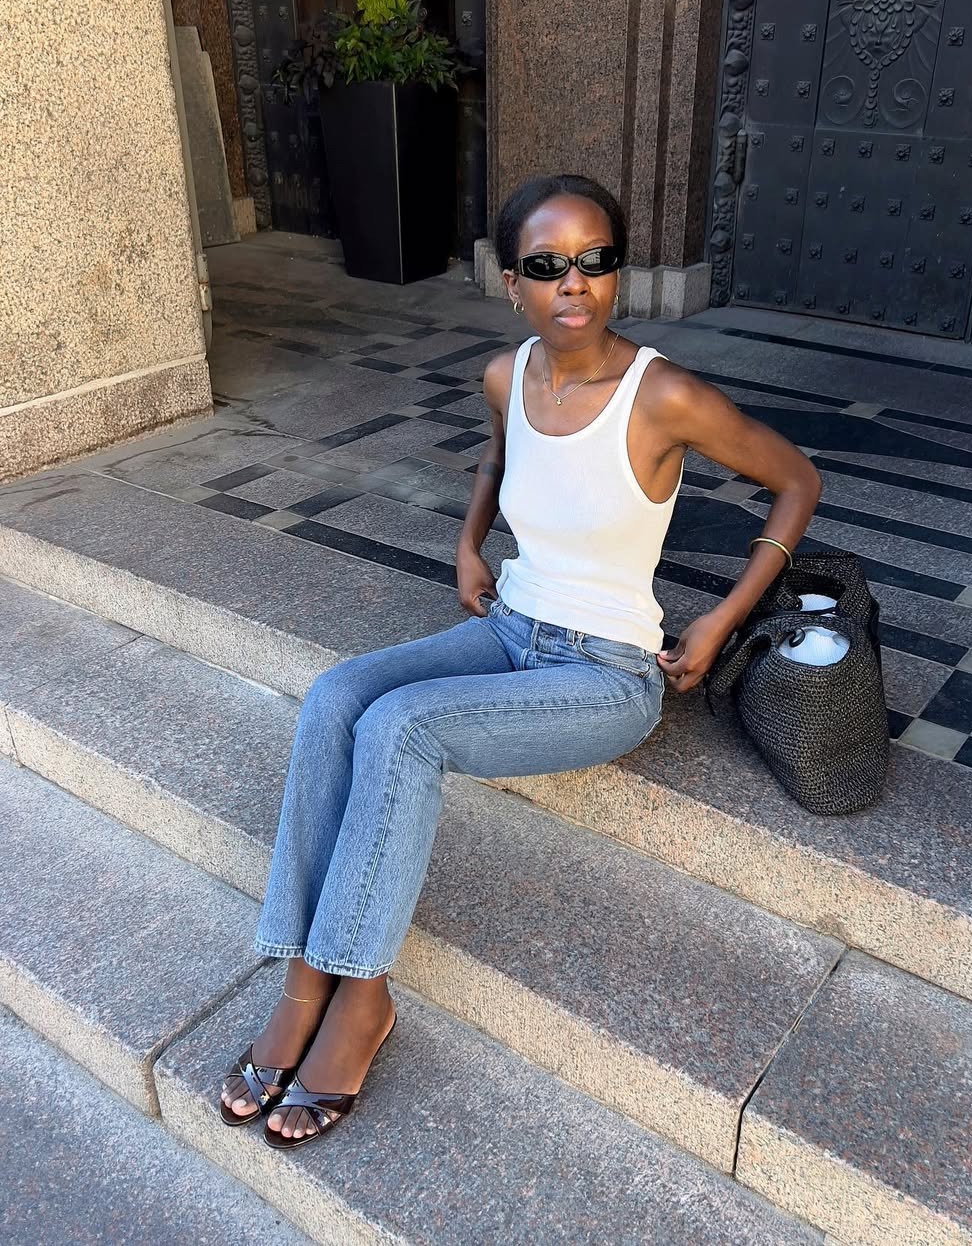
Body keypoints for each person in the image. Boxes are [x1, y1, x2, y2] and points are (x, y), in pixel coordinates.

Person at [218, 173, 822, 1148]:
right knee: (336, 696)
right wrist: (469, 542)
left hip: (607, 671)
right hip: (509, 627)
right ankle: (303, 980)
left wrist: (716, 623)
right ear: (512, 284)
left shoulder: (661, 393)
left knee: (403, 728)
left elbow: (796, 480)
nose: (573, 284)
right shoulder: (508, 374)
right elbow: (499, 456)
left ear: (617, 274)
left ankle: (361, 1000)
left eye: (595, 262)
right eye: (547, 266)